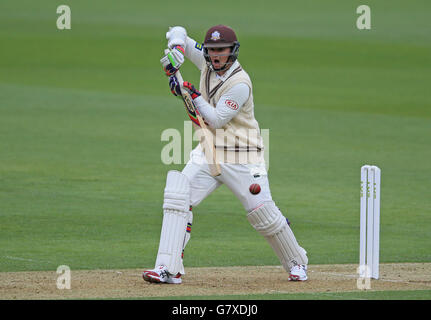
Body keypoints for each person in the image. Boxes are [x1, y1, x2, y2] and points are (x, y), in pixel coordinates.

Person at [143, 25, 308, 284]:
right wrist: (176, 49)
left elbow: (217, 119)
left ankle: (297, 262)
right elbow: (179, 32)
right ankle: (168, 268)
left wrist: (190, 93)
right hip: (209, 150)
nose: (216, 55)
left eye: (222, 50)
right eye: (211, 50)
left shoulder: (240, 83)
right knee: (178, 197)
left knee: (262, 214)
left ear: (232, 50)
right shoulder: (207, 61)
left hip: (244, 156)